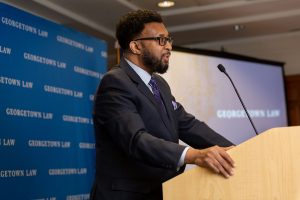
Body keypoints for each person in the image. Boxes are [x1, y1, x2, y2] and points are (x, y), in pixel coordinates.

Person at [90, 9, 235, 200]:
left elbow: (187, 124)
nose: (168, 46)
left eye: (169, 39)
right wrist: (194, 155)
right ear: (136, 47)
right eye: (160, 40)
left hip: (163, 192)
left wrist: (237, 150)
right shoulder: (115, 82)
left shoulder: (159, 84)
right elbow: (136, 140)